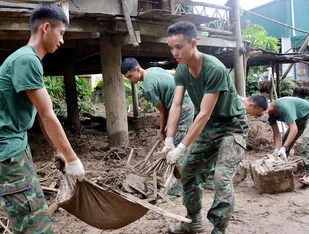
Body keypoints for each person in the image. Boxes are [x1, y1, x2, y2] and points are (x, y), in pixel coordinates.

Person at [0, 4, 85, 233]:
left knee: (30, 216)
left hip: (9, 145)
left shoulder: (26, 58)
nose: (63, 40)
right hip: (5, 149)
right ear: (47, 28)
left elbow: (39, 115)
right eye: (62, 33)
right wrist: (73, 159)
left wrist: (57, 150)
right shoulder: (27, 60)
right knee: (34, 224)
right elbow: (48, 115)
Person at [162, 21, 249, 234]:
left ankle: (219, 229)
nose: (175, 52)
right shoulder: (182, 69)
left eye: (179, 47)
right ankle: (193, 221)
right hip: (210, 126)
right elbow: (177, 104)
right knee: (188, 170)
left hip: (232, 126)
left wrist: (181, 147)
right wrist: (169, 139)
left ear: (193, 43)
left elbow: (204, 113)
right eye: (171, 48)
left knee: (221, 177)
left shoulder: (214, 69)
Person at [121, 57, 194, 197]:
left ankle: (179, 188)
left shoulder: (148, 87)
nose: (130, 80)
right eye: (127, 78)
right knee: (183, 144)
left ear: (137, 69)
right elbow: (171, 76)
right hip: (183, 104)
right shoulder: (153, 70)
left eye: (130, 76)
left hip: (182, 109)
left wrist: (162, 132)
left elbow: (162, 111)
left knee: (179, 148)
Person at [264, 97, 309, 185]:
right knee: (286, 139)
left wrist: (284, 147)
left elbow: (294, 129)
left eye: (258, 114)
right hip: (299, 119)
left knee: (307, 140)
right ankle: (281, 166)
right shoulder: (270, 115)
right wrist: (277, 151)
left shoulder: (283, 106)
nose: (258, 116)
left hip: (307, 114)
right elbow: (276, 134)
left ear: (263, 108)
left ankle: (308, 173)